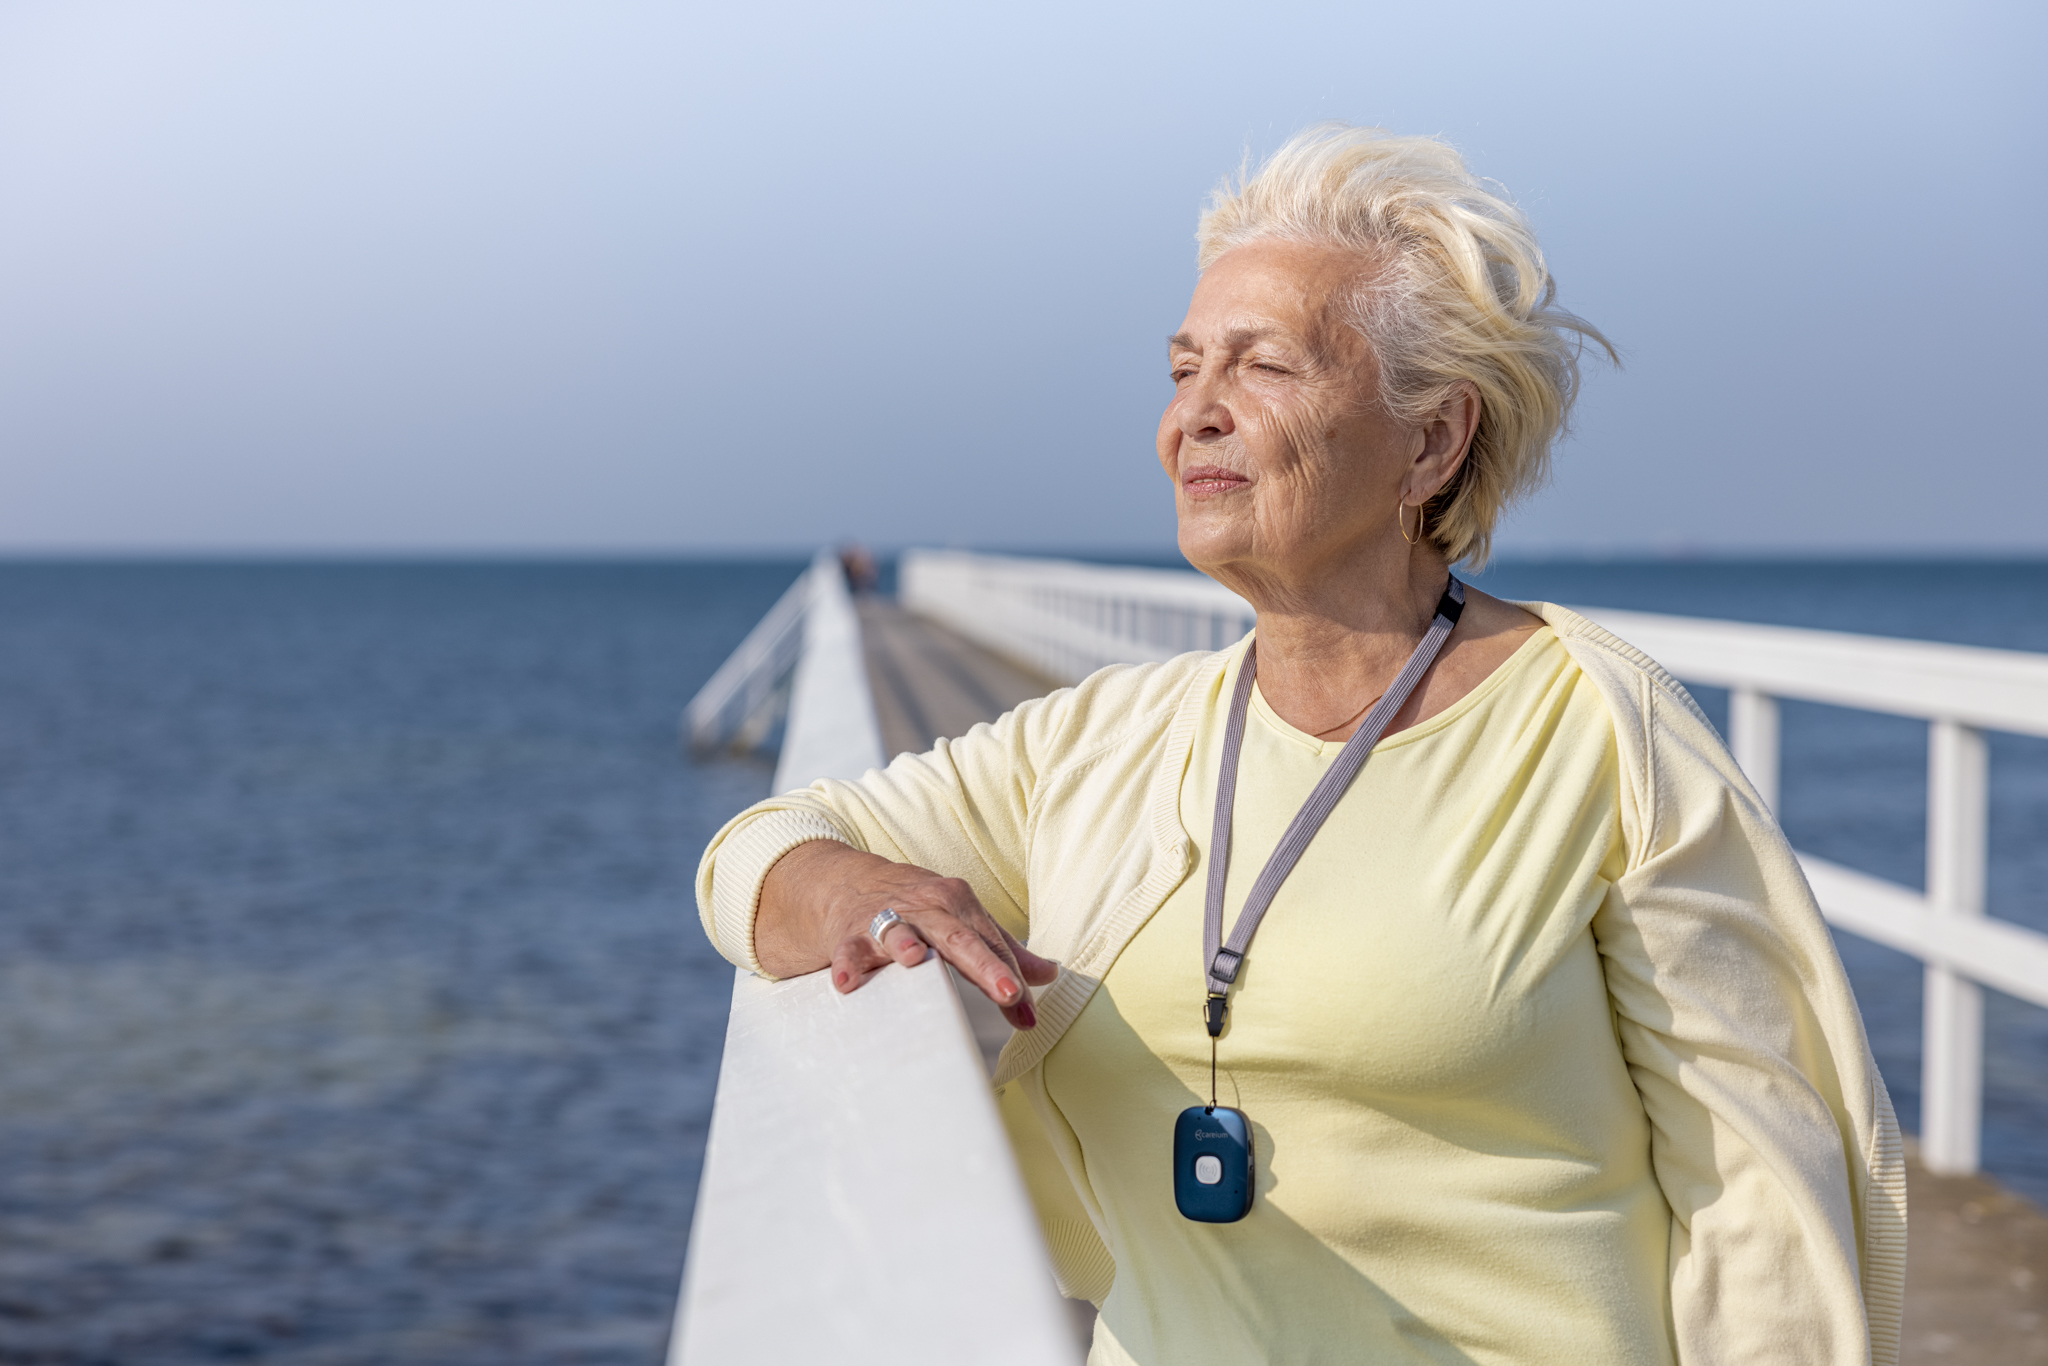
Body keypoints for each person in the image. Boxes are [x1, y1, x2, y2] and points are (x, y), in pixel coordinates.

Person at [695, 124, 1904, 1364]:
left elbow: (1763, 1206)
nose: (1194, 416)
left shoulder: (1596, 731)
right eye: (1181, 370)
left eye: (1261, 365)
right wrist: (855, 892)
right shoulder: (1111, 739)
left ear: (1430, 441)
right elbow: (753, 854)